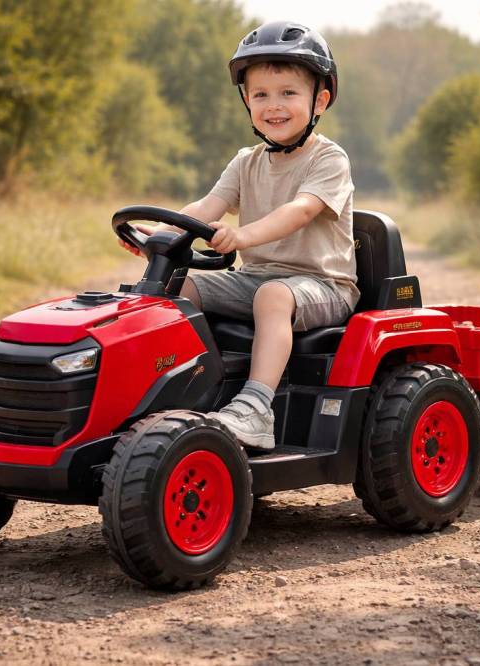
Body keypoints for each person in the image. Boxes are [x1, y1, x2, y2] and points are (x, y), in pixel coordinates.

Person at [119, 21, 357, 450]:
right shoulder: (246, 161)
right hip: (255, 280)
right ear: (247, 100)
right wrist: (159, 235)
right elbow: (206, 207)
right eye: (261, 94)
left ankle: (256, 407)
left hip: (323, 285)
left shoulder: (329, 159)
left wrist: (243, 236)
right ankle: (178, 388)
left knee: (274, 296)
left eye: (288, 93)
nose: (274, 105)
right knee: (178, 288)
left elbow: (300, 210)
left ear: (319, 100)